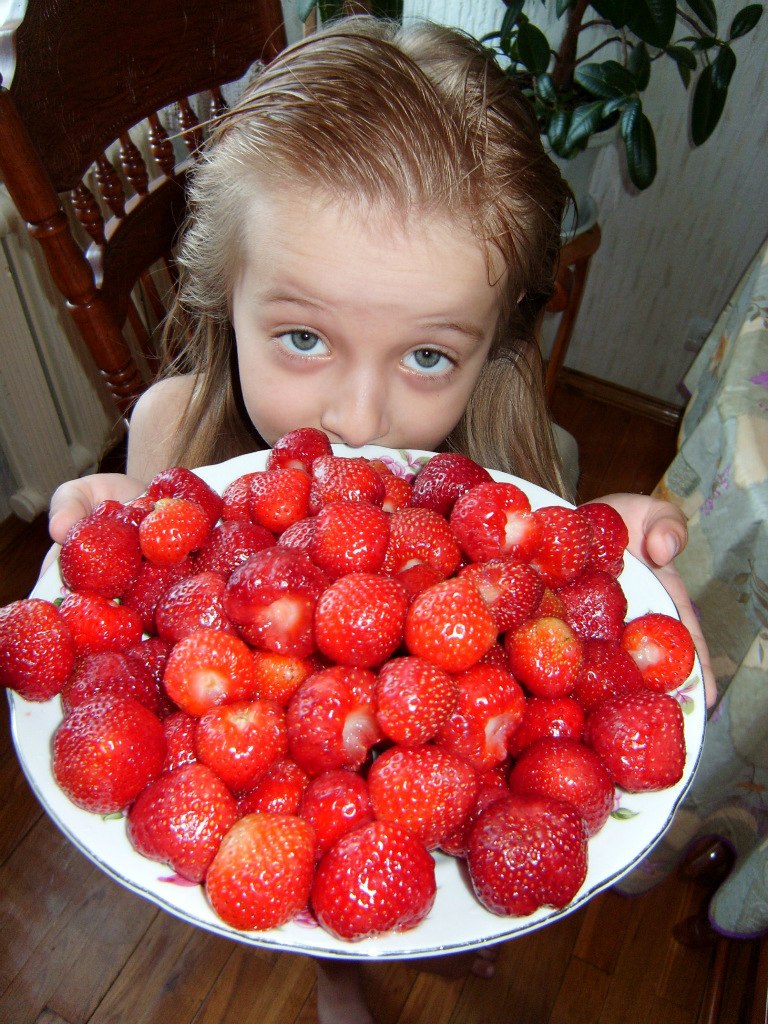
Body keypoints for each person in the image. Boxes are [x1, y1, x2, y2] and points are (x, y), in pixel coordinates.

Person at [44, 15, 714, 1023]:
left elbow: (547, 611)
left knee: (415, 879)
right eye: (303, 336)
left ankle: (409, 935)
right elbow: (148, 647)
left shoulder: (512, 471)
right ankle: (339, 970)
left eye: (428, 355)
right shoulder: (168, 429)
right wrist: (114, 539)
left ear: (495, 345)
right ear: (224, 297)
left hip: (421, 800)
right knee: (331, 881)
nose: (357, 419)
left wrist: (605, 548)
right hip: (286, 813)